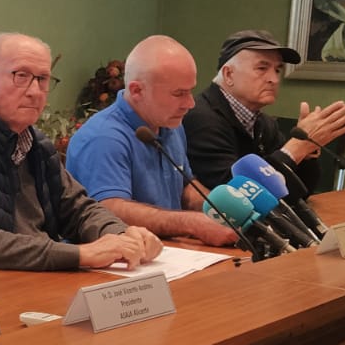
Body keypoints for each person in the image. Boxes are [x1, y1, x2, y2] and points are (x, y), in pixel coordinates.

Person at [0, 32, 163, 278]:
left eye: (42, 79)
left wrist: (121, 235)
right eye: (21, 76)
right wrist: (80, 254)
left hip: (26, 280)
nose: (35, 91)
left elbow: (78, 209)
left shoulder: (36, 143)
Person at [64, 35, 241, 247]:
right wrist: (191, 223)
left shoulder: (170, 123)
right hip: (116, 258)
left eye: (190, 91)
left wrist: (219, 210)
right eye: (179, 93)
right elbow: (109, 210)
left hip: (170, 253)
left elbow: (185, 186)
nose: (190, 103)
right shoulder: (102, 137)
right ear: (137, 91)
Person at [183, 29, 345, 190]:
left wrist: (306, 151)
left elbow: (301, 189)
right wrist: (296, 147)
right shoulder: (201, 118)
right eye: (262, 68)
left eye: (277, 70)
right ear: (229, 75)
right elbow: (236, 194)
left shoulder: (264, 123)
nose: (274, 79)